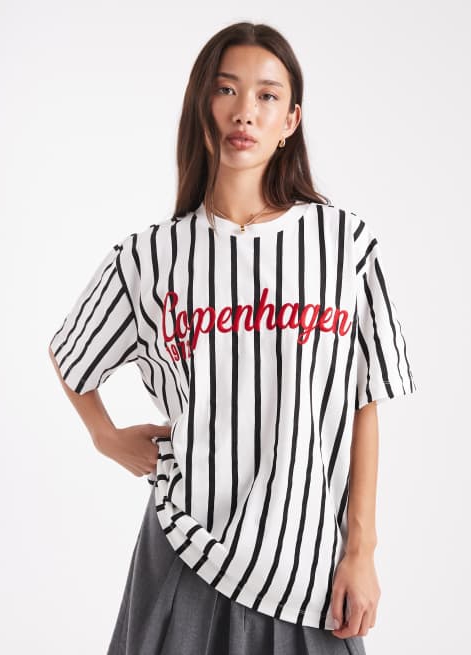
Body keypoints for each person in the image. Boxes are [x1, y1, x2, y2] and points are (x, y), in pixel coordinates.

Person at [49, 21, 416, 655]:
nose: (245, 111)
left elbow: (365, 401)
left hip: (308, 563)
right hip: (185, 548)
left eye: (267, 95)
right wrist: (104, 436)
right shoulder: (152, 256)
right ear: (202, 104)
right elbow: (71, 352)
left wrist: (362, 549)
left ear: (291, 120)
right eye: (226, 89)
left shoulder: (343, 247)